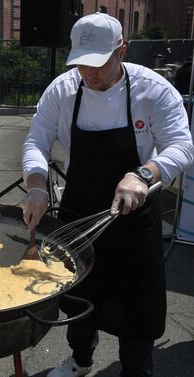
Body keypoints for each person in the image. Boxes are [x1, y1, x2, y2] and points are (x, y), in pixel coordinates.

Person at [21, 13, 194, 377]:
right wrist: (36, 185)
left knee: (139, 314)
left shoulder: (153, 89)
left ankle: (136, 371)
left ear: (122, 51)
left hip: (135, 217)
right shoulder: (63, 89)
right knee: (78, 300)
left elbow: (181, 146)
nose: (89, 72)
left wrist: (144, 174)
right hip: (79, 211)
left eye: (99, 63)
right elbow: (37, 140)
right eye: (81, 63)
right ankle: (80, 359)